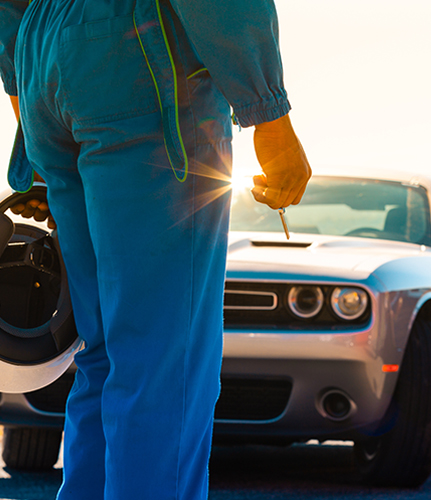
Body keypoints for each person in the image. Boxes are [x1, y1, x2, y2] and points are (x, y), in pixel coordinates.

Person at [0, 1, 311, 499]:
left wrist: (31, 92)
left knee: (104, 356)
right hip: (139, 52)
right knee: (165, 363)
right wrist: (269, 114)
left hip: (44, 54)